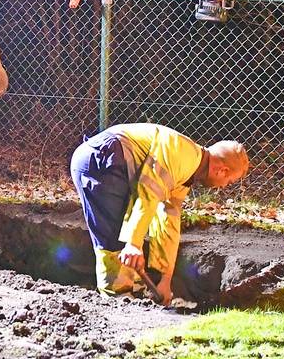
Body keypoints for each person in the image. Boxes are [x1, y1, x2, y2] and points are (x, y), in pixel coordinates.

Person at [70, 123, 249, 303]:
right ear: (222, 171)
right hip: (101, 159)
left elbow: (168, 220)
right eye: (229, 181)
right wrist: (133, 243)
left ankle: (137, 295)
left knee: (128, 232)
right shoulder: (182, 157)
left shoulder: (188, 169)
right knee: (113, 235)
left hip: (113, 162)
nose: (225, 186)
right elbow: (147, 193)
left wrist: (165, 279)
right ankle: (117, 300)